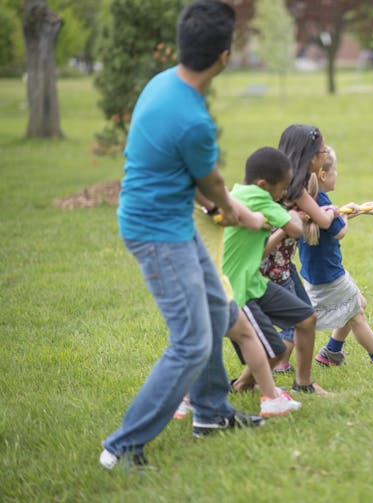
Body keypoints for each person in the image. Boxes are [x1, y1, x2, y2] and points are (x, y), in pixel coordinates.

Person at [100, 1, 262, 471]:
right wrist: (238, 213)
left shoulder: (162, 84)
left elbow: (184, 172)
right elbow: (211, 183)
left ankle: (211, 413)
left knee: (215, 311)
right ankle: (123, 446)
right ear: (225, 56)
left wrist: (214, 205)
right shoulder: (194, 120)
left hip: (167, 220)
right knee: (192, 340)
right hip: (156, 231)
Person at [223, 146, 329, 395]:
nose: (284, 193)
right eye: (282, 188)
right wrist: (291, 214)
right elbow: (295, 230)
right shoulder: (258, 198)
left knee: (306, 318)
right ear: (263, 184)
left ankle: (303, 384)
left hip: (254, 281)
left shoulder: (239, 192)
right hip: (236, 289)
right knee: (275, 350)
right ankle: (243, 387)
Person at [187, 193, 301, 418]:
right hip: (213, 285)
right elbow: (250, 220)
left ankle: (269, 398)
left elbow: (239, 215)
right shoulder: (206, 193)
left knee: (218, 341)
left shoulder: (197, 197)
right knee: (191, 348)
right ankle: (186, 398)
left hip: (213, 283)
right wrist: (267, 218)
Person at [258, 125, 340, 375]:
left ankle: (300, 381)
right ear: (311, 156)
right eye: (323, 151)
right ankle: (258, 376)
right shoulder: (297, 186)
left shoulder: (285, 181)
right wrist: (334, 211)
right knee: (299, 322)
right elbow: (324, 222)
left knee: (306, 317)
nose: (325, 156)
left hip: (280, 262)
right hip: (272, 265)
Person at [298, 146, 373, 366]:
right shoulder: (319, 200)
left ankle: (331, 352)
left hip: (320, 271)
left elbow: (331, 222)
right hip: (328, 274)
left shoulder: (311, 198)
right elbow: (339, 231)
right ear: (323, 175)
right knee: (356, 312)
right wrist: (347, 215)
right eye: (335, 170)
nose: (337, 174)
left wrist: (355, 211)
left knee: (358, 303)